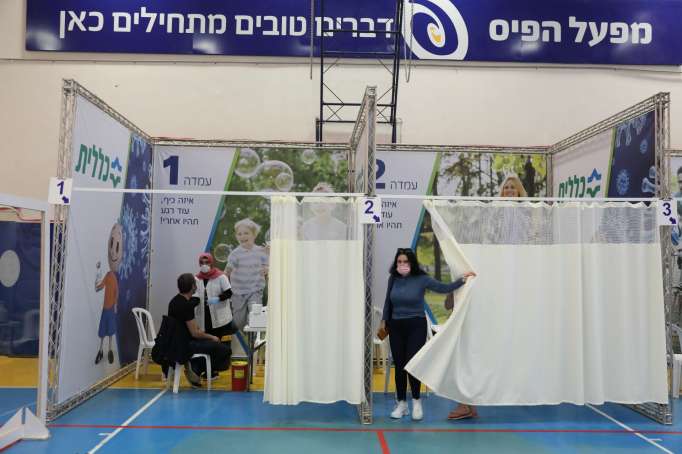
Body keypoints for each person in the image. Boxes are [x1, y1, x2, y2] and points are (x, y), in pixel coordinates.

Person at [379, 248, 475, 421]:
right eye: (399, 262)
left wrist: (462, 280)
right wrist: (384, 321)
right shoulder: (393, 278)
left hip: (416, 325)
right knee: (399, 365)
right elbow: (388, 302)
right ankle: (401, 404)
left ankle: (417, 402)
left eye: (405, 261)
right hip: (396, 325)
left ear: (412, 263)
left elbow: (443, 288)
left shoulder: (422, 279)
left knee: (412, 364)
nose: (402, 265)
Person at [167, 273, 231, 386]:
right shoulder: (187, 305)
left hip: (174, 342)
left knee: (209, 345)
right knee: (225, 350)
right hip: (185, 344)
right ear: (193, 287)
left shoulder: (174, 301)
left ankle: (195, 368)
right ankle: (198, 368)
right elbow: (195, 333)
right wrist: (212, 337)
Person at [225, 218, 269, 330]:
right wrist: (226, 274)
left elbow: (268, 264)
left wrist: (267, 268)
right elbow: (229, 267)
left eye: (246, 233)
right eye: (239, 234)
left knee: (255, 316)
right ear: (236, 237)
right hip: (238, 292)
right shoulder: (235, 254)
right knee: (238, 321)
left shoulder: (261, 251)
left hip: (255, 290)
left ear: (254, 235)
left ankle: (254, 337)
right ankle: (236, 335)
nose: (242, 236)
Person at [195, 253, 236, 341]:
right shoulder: (197, 278)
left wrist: (218, 299)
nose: (204, 265)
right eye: (202, 263)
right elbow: (194, 295)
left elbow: (229, 293)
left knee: (224, 343)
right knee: (210, 344)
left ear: (211, 263)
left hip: (222, 318)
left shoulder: (221, 276)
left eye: (207, 262)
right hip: (205, 318)